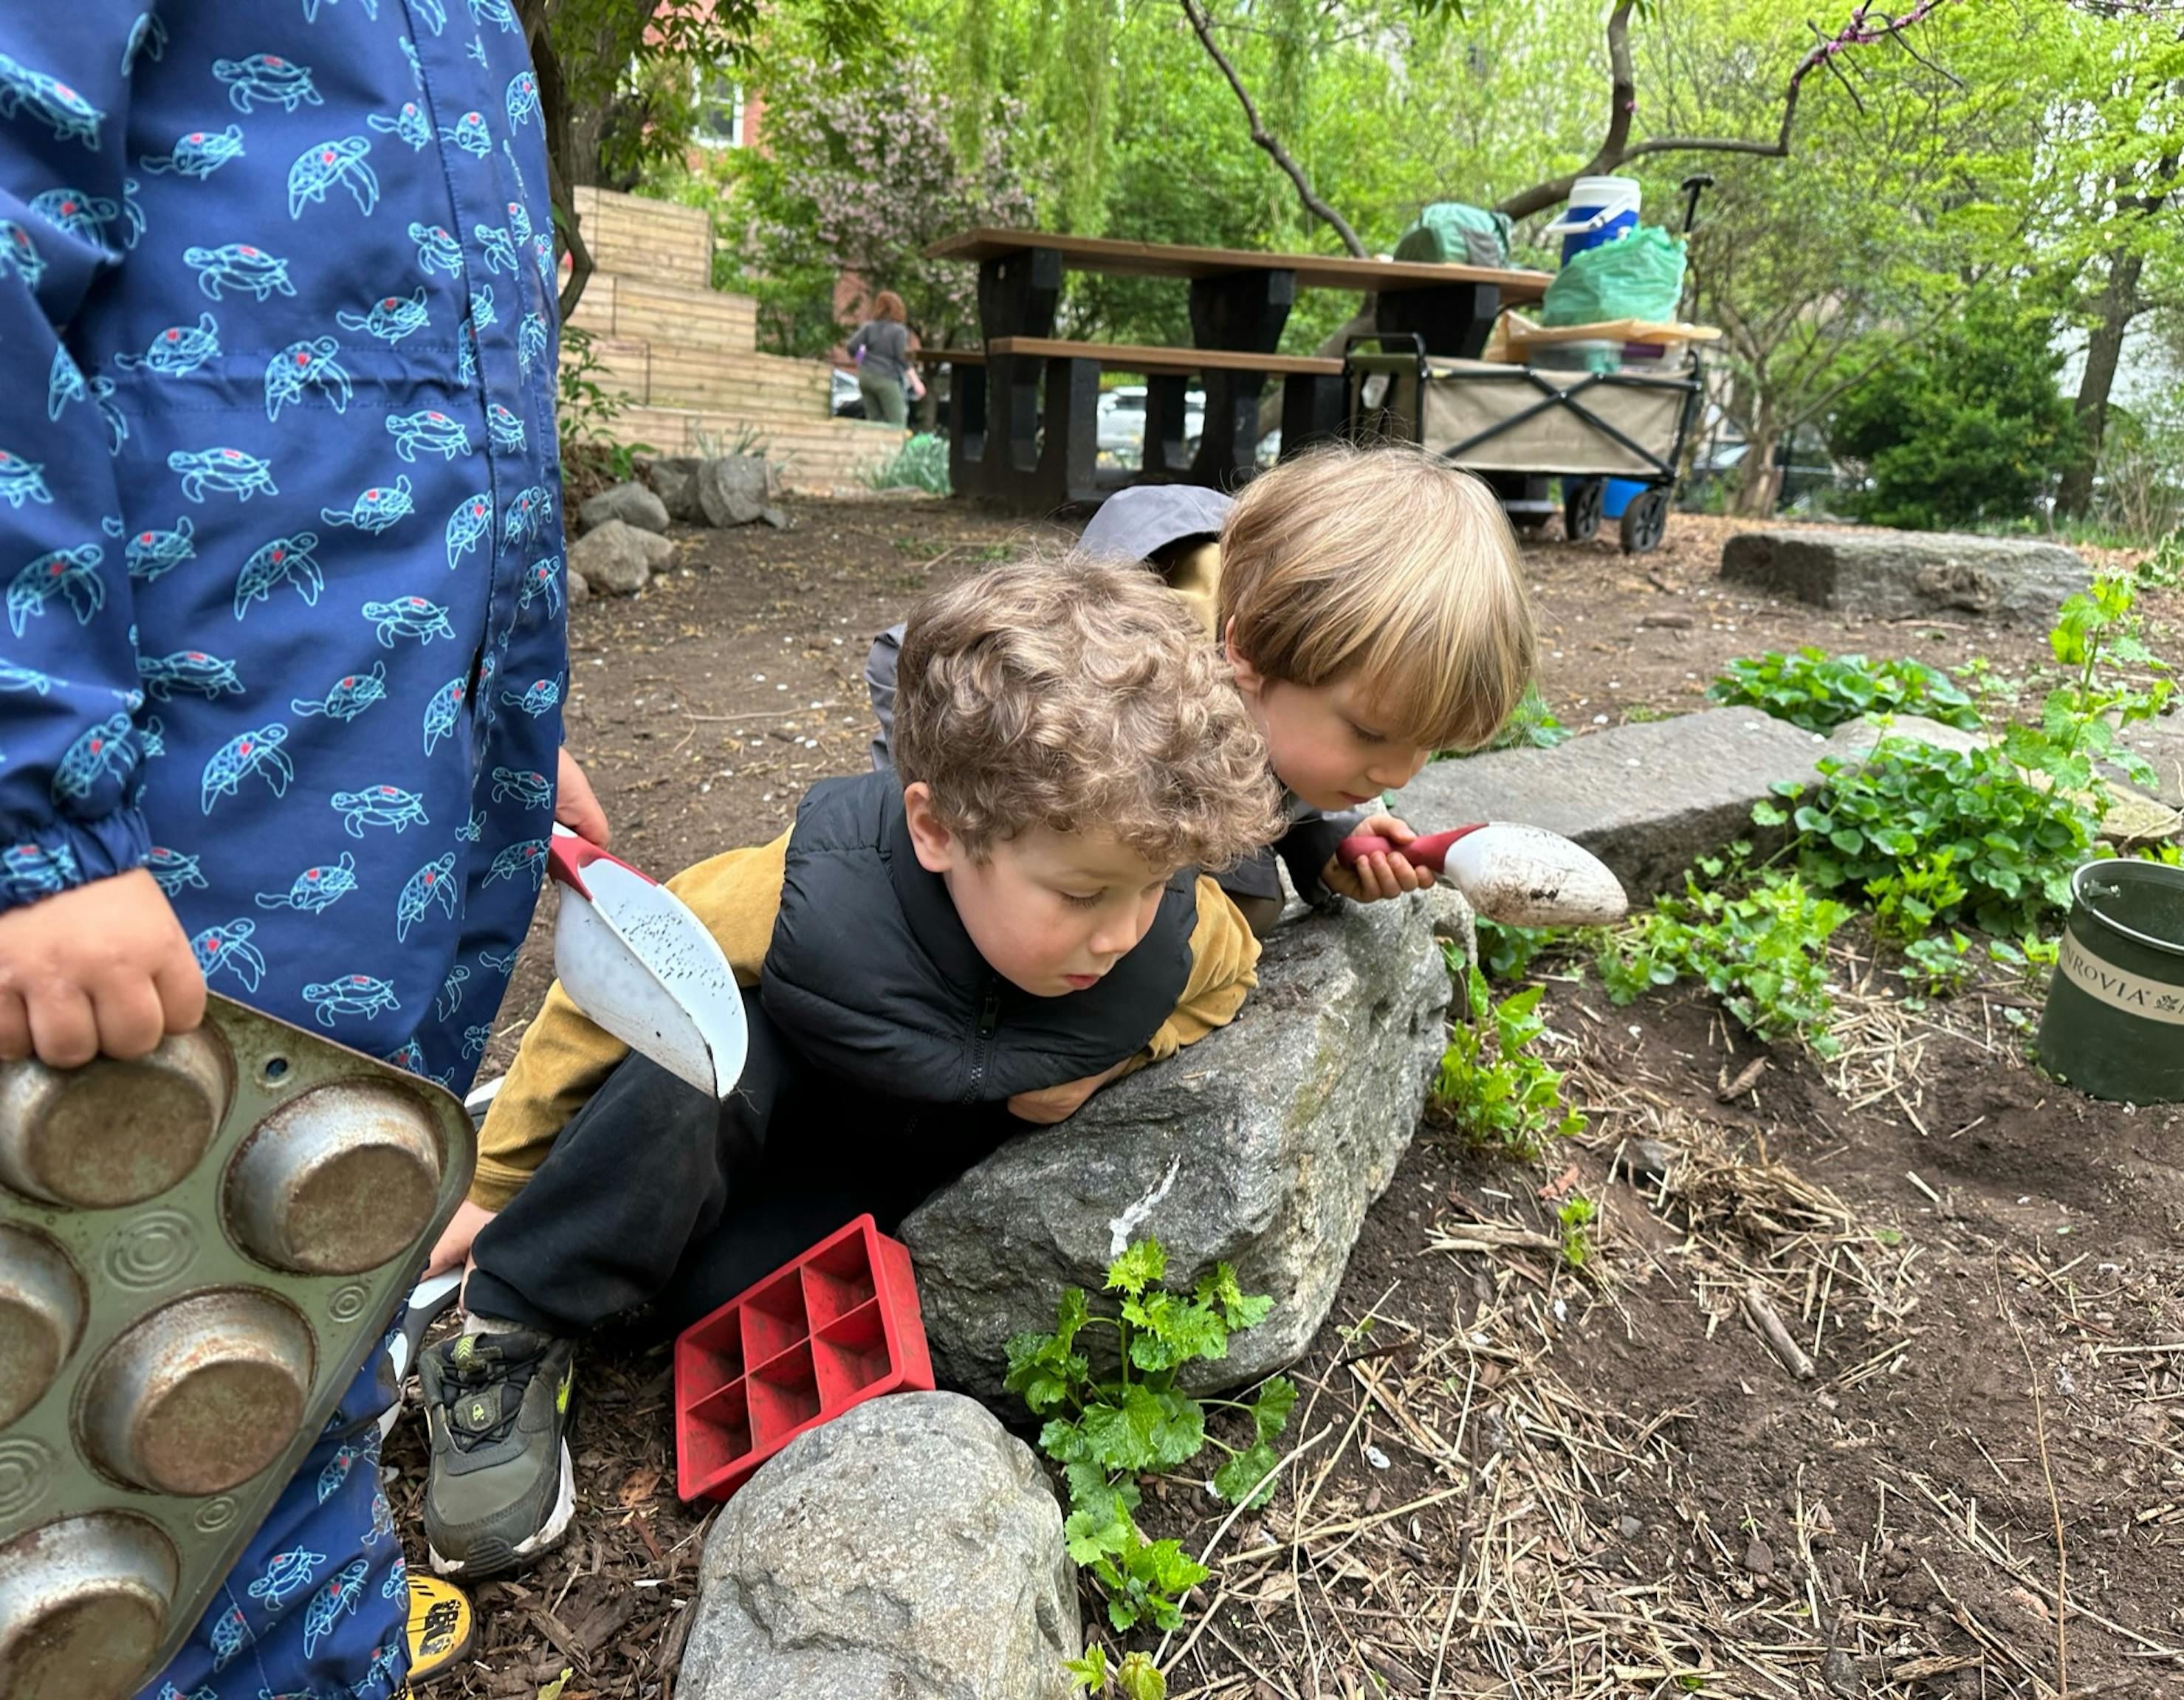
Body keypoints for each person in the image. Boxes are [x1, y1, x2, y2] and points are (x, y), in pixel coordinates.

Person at [0, 9, 590, 1696]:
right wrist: (35, 806)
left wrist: (490, 705)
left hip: (360, 806)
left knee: (293, 1310)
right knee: (96, 1375)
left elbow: (422, 384)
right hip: (147, 828)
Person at [408, 554, 1281, 1575]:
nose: (1123, 931)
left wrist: (1118, 1058)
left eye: (1155, 884)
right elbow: (605, 986)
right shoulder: (805, 895)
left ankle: (634, 1254)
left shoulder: (1169, 927)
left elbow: (1228, 976)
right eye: (1084, 894)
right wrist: (494, 1182)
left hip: (859, 1185)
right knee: (694, 1068)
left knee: (695, 1306)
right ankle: (513, 1314)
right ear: (939, 827)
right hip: (760, 1106)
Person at [865, 444, 1539, 933]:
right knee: (1221, 908)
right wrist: (971, 839)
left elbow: (1276, 730)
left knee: (1239, 909)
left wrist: (1327, 836)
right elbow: (909, 661)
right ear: (1247, 653)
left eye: (1428, 744)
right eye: (1369, 733)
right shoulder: (1114, 684)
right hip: (1026, 752)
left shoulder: (1279, 673)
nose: (1398, 773)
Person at [847, 289, 918, 427]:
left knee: (874, 422)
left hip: (865, 377)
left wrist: (860, 359)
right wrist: (916, 382)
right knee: (897, 422)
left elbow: (852, 346)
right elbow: (902, 358)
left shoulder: (869, 328)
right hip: (887, 378)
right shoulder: (899, 331)